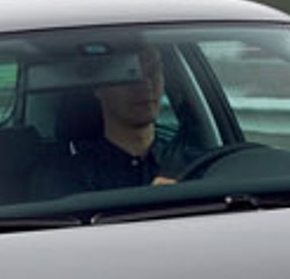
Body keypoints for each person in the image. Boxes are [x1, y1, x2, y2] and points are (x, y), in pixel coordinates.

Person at [31, 44, 181, 196]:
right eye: (129, 73)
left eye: (154, 72)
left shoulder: (193, 162)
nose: (146, 85)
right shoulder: (63, 176)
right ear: (99, 87)